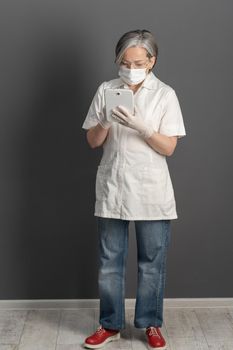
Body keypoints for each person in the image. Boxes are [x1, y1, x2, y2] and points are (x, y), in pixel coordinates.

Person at [82, 29, 186, 349]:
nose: (129, 67)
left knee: (151, 261)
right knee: (109, 262)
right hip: (114, 185)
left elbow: (168, 147)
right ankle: (110, 324)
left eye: (137, 62)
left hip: (151, 189)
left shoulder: (164, 94)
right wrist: (106, 122)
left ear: (151, 61)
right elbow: (92, 141)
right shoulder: (106, 89)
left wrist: (143, 128)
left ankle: (150, 324)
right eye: (124, 62)